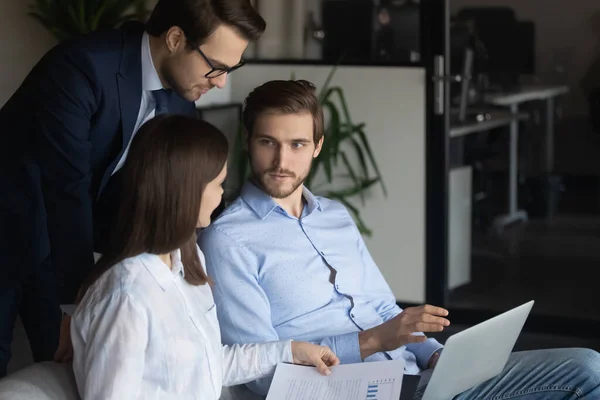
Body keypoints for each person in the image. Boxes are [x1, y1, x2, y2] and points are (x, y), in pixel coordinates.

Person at [198, 79, 600, 399]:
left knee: (587, 364)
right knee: (584, 374)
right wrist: (371, 342)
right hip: (349, 391)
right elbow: (258, 377)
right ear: (248, 142)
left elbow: (381, 305)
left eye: (297, 144)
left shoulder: (334, 217)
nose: (282, 161)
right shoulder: (228, 240)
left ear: (317, 146)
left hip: (415, 376)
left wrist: (435, 354)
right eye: (268, 142)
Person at [0, 0, 265, 377]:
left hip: (60, 242)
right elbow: (66, 190)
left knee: (64, 369)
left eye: (231, 69)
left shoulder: (181, 99)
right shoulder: (84, 67)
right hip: (11, 219)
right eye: (216, 67)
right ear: (175, 38)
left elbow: (172, 193)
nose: (221, 81)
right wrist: (77, 308)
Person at [71, 114, 339, 399]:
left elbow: (208, 365)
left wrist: (291, 351)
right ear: (186, 192)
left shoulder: (186, 258)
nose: (222, 195)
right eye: (218, 184)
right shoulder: (127, 296)